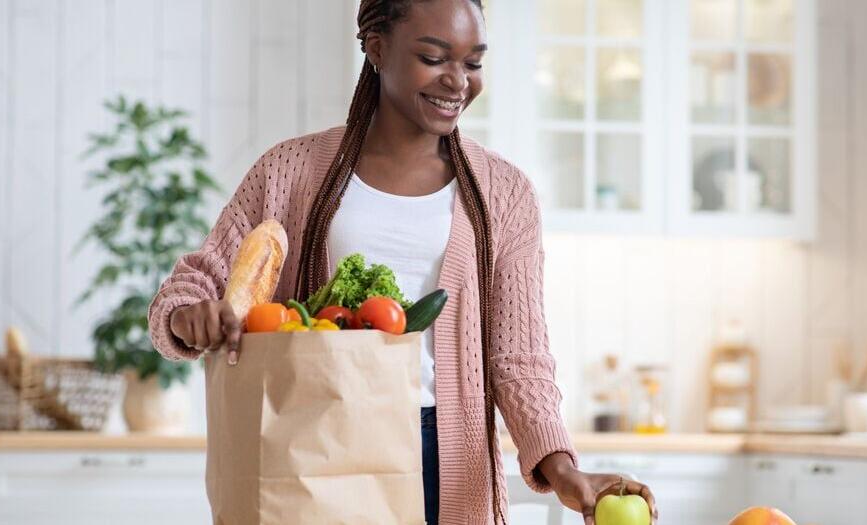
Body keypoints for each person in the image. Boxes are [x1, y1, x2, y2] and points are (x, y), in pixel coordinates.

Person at [147, 1, 658, 523]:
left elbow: (519, 360)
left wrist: (563, 467)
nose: (457, 81)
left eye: (473, 62)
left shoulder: (504, 194)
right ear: (376, 48)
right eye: (434, 57)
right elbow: (197, 282)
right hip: (312, 438)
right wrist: (190, 316)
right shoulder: (290, 170)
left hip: (445, 453)